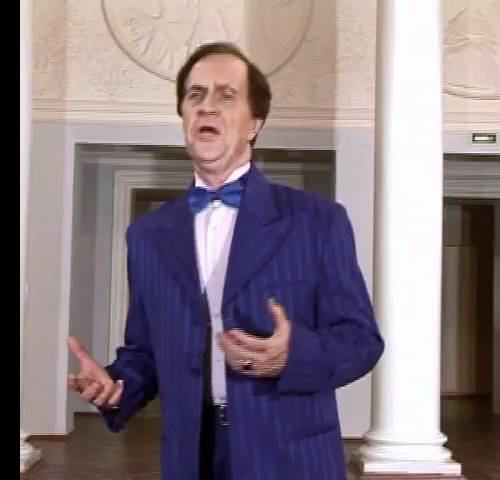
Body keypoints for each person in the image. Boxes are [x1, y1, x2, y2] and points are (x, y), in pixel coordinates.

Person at [67, 42, 384, 480]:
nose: (207, 106)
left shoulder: (317, 220)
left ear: (254, 124)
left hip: (289, 456)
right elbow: (145, 351)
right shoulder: (148, 234)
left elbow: (360, 341)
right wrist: (117, 385)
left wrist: (290, 356)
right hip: (191, 456)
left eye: (226, 95)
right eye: (195, 95)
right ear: (183, 116)